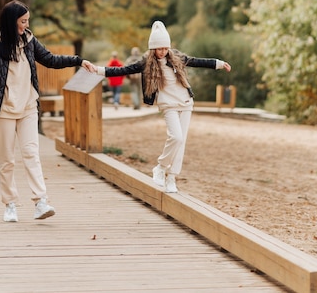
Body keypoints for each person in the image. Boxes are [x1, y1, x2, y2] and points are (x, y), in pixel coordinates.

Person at [0, 0, 96, 223]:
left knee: (32, 153)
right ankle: (10, 204)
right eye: (22, 21)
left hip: (28, 106)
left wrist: (78, 61)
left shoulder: (30, 41)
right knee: (7, 159)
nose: (26, 25)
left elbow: (50, 59)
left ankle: (40, 201)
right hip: (3, 108)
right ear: (10, 22)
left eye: (27, 21)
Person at [97, 21, 231, 193]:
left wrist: (219, 63)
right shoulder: (146, 62)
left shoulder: (176, 58)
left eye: (165, 48)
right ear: (152, 49)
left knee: (181, 142)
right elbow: (123, 70)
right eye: (158, 48)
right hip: (168, 105)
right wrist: (99, 70)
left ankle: (171, 177)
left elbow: (196, 61)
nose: (162, 52)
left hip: (185, 103)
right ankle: (160, 167)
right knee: (175, 137)